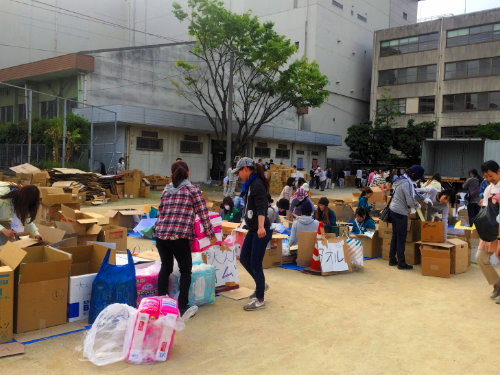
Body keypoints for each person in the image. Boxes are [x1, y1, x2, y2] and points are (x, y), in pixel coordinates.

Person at [155, 161, 216, 316]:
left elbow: (160, 211)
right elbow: (203, 214)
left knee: (166, 267)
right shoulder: (193, 190)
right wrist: (211, 235)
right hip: (179, 236)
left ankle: (161, 303)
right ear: (188, 173)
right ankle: (182, 307)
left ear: (172, 173)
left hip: (161, 235)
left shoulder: (166, 190)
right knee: (185, 271)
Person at [233, 157, 272, 311]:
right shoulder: (249, 185)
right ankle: (261, 284)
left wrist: (261, 226)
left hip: (261, 230)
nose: (238, 175)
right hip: (253, 228)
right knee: (244, 258)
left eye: (239, 172)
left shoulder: (257, 184)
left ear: (246, 169)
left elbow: (262, 207)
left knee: (255, 263)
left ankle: (260, 298)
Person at [388, 165, 424, 270]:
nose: (418, 179)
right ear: (413, 174)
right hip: (400, 212)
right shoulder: (406, 183)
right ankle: (401, 263)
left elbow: (414, 193)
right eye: (418, 177)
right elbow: (409, 200)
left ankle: (392, 259)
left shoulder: (401, 179)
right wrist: (418, 205)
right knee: (401, 238)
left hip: (393, 210)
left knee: (395, 236)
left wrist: (424, 198)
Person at [476, 160, 500, 304]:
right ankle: (497, 284)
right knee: (481, 257)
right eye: (486, 176)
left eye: (491, 175)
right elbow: (485, 211)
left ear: (499, 171)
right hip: (491, 229)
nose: (489, 179)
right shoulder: (488, 189)